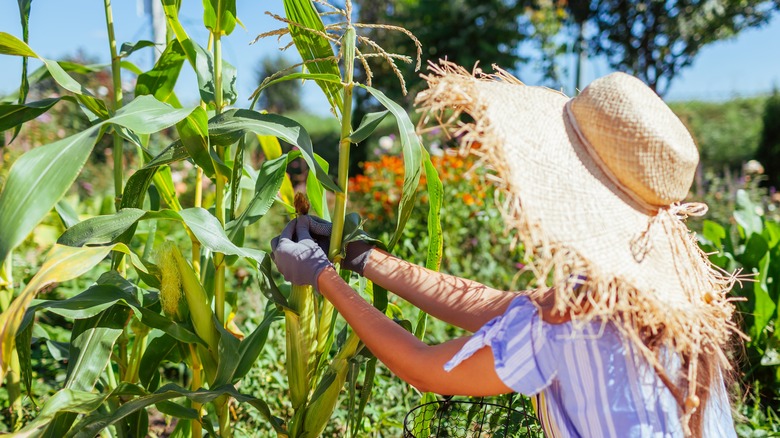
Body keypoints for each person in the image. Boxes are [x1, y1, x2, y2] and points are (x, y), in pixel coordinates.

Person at [270, 61, 740, 437]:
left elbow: (429, 369)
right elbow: (500, 308)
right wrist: (359, 256)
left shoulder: (569, 324)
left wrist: (322, 277)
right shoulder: (676, 297)